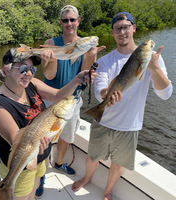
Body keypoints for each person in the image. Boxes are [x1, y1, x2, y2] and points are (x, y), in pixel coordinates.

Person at [72, 11, 173, 200]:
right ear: (112, 33)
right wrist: (106, 95)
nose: (122, 32)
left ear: (134, 28)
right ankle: (87, 178)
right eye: (118, 29)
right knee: (93, 155)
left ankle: (108, 190)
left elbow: (165, 94)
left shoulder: (153, 59)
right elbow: (100, 88)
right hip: (103, 121)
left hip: (130, 125)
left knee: (118, 163)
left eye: (126, 27)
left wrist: (154, 68)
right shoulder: (104, 61)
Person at [0, 46, 97, 200]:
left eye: (32, 69)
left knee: (33, 192)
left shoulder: (32, 84)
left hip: (40, 158)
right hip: (21, 167)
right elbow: (18, 144)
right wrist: (37, 147)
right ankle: (7, 186)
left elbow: (58, 95)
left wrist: (76, 80)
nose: (29, 73)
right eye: (23, 68)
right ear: (7, 70)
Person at [39, 4, 105, 181]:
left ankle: (59, 163)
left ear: (78, 21)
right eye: (65, 20)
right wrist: (51, 60)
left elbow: (83, 75)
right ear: (61, 23)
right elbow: (49, 75)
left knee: (67, 135)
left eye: (72, 19)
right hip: (50, 97)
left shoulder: (85, 45)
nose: (69, 23)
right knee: (44, 137)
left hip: (72, 100)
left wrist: (91, 56)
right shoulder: (51, 44)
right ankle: (42, 173)